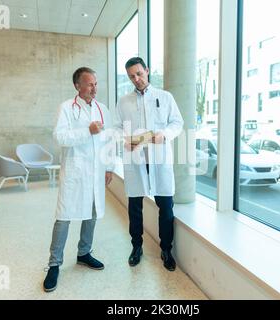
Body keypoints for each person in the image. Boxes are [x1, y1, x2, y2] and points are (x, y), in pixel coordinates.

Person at [43, 67, 114, 292]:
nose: (94, 87)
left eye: (95, 83)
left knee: (91, 213)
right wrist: (87, 131)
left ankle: (84, 252)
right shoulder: (66, 107)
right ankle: (54, 264)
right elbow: (60, 137)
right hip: (75, 172)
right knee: (64, 217)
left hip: (96, 172)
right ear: (77, 86)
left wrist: (109, 166)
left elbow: (110, 139)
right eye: (89, 83)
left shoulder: (103, 109)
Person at [114, 57, 184, 271]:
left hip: (159, 159)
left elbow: (177, 123)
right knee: (135, 207)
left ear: (147, 70)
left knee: (166, 206)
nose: (136, 79)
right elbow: (116, 127)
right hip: (135, 160)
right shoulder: (123, 101)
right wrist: (124, 139)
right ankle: (137, 247)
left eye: (139, 74)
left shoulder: (165, 97)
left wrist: (166, 134)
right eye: (132, 76)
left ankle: (166, 249)